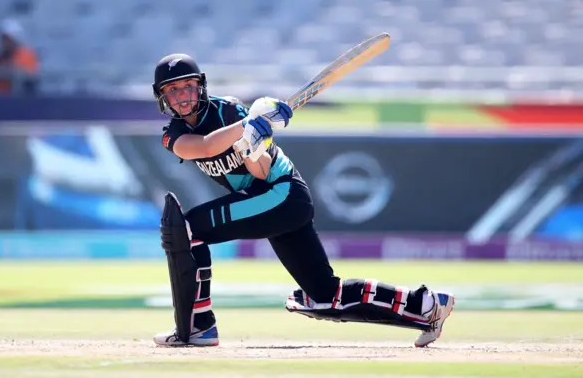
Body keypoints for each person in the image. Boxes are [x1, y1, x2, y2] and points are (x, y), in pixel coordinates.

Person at [152, 53, 454, 348]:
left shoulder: (229, 111)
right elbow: (201, 148)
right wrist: (246, 129)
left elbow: (262, 171)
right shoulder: (174, 133)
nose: (182, 95)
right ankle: (426, 306)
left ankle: (197, 327)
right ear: (163, 98)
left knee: (186, 227)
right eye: (173, 90)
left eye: (187, 86)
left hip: (281, 194)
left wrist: (254, 145)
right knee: (323, 294)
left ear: (200, 86)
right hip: (273, 202)